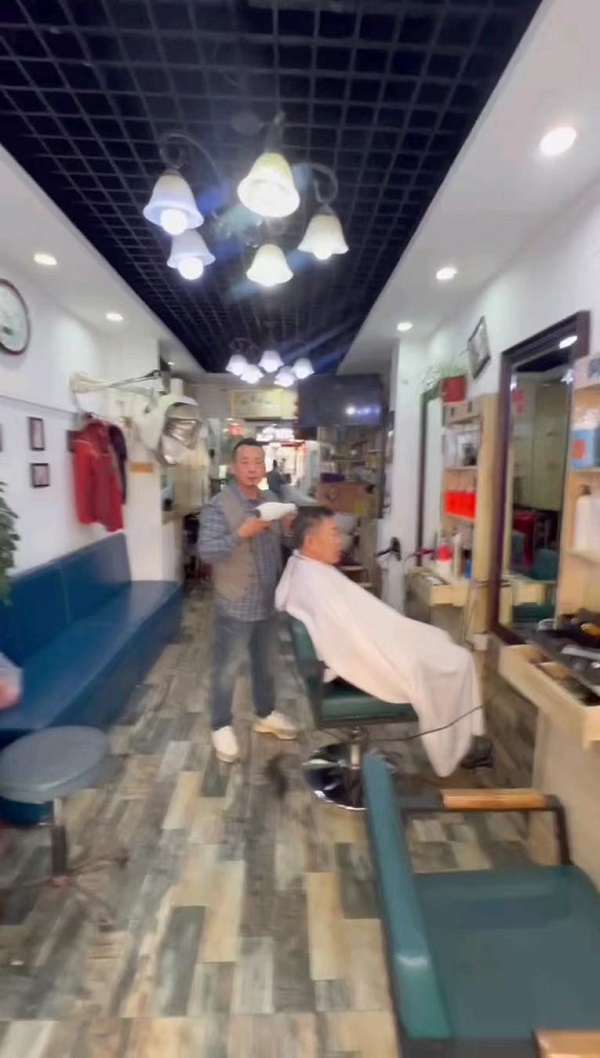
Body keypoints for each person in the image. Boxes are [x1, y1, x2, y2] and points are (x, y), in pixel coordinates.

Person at [275, 507, 488, 778]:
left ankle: (468, 737)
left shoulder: (302, 567)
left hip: (355, 654)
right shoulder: (315, 583)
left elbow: (357, 628)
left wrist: (400, 634)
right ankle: (462, 744)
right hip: (355, 667)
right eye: (334, 533)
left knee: (438, 642)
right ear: (311, 542)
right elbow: (359, 644)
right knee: (454, 660)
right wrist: (404, 659)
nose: (340, 540)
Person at [198, 438, 298, 763]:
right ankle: (220, 725)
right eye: (245, 462)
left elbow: (282, 545)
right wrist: (242, 532)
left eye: (258, 462)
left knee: (265, 663)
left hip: (268, 598)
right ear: (233, 467)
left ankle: (265, 713)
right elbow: (207, 551)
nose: (253, 468)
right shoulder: (218, 505)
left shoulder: (272, 500)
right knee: (226, 668)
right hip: (236, 599)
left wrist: (287, 529)